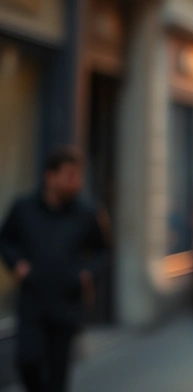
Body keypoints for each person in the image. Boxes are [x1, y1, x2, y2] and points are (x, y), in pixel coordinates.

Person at [0, 145, 108, 392]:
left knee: (58, 373)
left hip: (66, 301)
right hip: (32, 299)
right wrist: (16, 263)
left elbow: (102, 250)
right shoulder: (24, 207)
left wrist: (87, 273)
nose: (76, 183)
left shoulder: (88, 212)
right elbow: (5, 239)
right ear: (50, 176)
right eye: (70, 176)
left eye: (79, 177)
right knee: (27, 362)